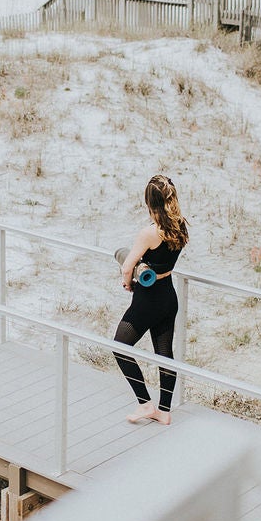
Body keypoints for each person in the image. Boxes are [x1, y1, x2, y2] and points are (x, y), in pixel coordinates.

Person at [113, 175, 189, 425]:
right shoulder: (180, 227)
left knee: (121, 347)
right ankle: (164, 411)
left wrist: (128, 282)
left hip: (148, 298)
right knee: (164, 353)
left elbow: (127, 266)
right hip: (168, 294)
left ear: (148, 202)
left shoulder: (149, 233)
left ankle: (145, 404)